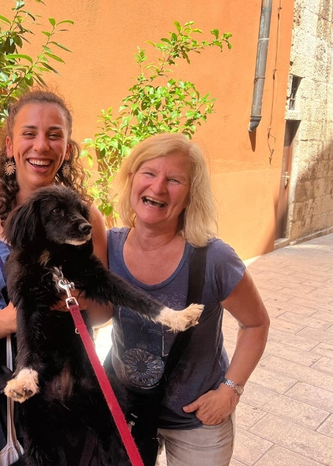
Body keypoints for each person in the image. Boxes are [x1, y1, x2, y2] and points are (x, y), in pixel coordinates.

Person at [0, 89, 110, 464]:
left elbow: (104, 312)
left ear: (66, 149)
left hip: (70, 396)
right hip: (3, 400)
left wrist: (78, 299)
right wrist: (6, 320)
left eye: (54, 135)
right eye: (29, 133)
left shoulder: (88, 220)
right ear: (9, 145)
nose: (41, 146)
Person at [107, 132, 270, 466]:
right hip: (127, 412)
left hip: (197, 422)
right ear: (132, 178)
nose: (158, 187)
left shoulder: (214, 258)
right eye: (149, 173)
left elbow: (256, 324)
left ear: (191, 194)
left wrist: (230, 390)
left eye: (174, 180)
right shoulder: (107, 246)